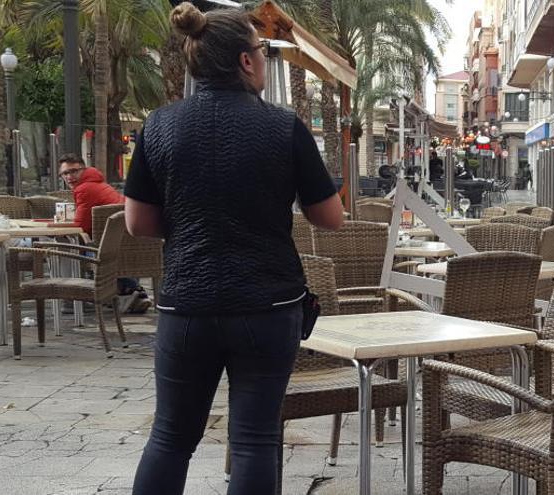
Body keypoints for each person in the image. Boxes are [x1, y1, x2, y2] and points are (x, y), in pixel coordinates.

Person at [125, 3, 344, 494]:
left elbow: (138, 223)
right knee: (255, 440)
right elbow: (330, 218)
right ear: (246, 61)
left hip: (187, 304)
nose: (264, 60)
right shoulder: (283, 127)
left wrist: (191, 222)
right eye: (263, 51)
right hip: (266, 306)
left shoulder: (158, 125)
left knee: (170, 436)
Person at [54, 154, 151, 313]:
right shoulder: (99, 184)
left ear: (83, 170)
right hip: (127, 243)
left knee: (69, 246)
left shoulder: (85, 188)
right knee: (82, 245)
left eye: (73, 171)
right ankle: (132, 293)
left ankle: (73, 300)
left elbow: (80, 226)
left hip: (109, 249)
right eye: (65, 173)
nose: (69, 177)